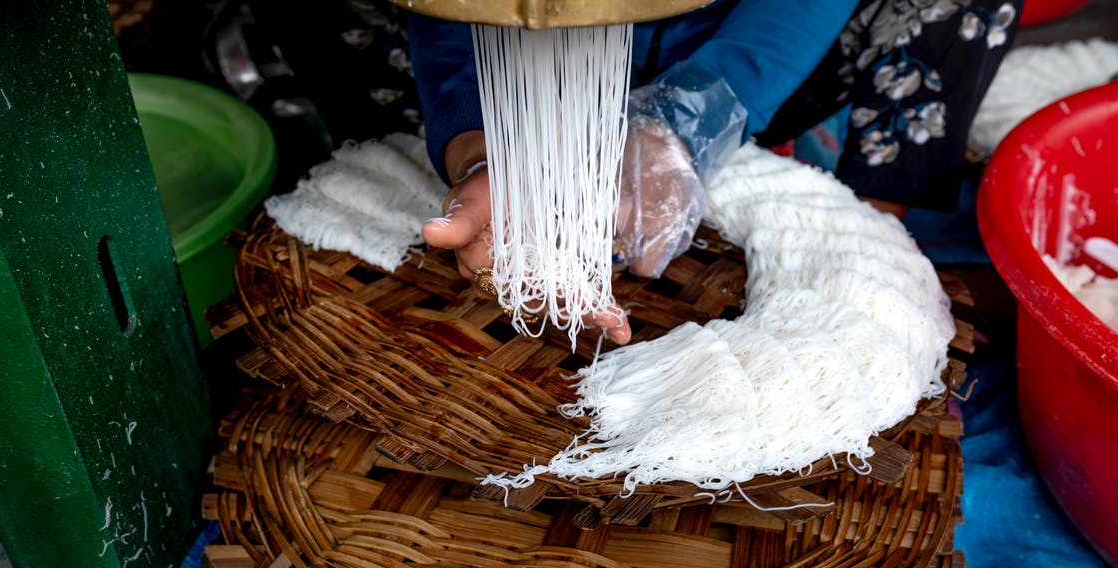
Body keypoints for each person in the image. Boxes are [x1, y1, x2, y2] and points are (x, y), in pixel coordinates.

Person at [407, 0, 1023, 345]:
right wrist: (481, 145)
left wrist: (688, 119)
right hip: (511, 46)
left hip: (740, 36)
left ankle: (861, 256)